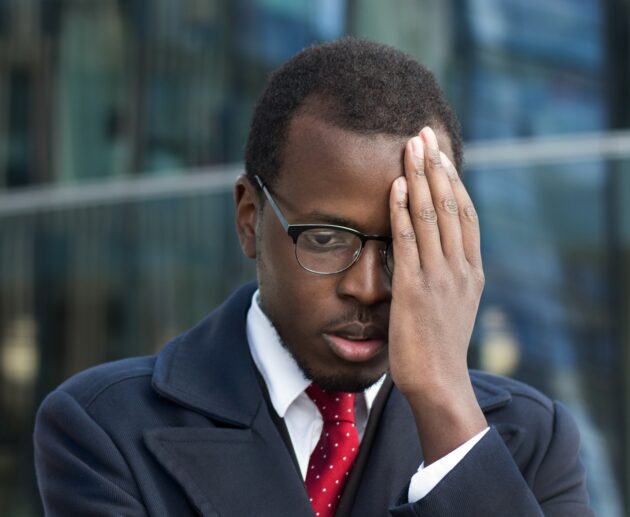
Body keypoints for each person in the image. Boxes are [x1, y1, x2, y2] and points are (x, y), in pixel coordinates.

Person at [34, 38, 593, 516]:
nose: (369, 287)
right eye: (326, 239)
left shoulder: (529, 439)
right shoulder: (104, 427)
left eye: (406, 246)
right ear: (250, 219)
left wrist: (447, 406)